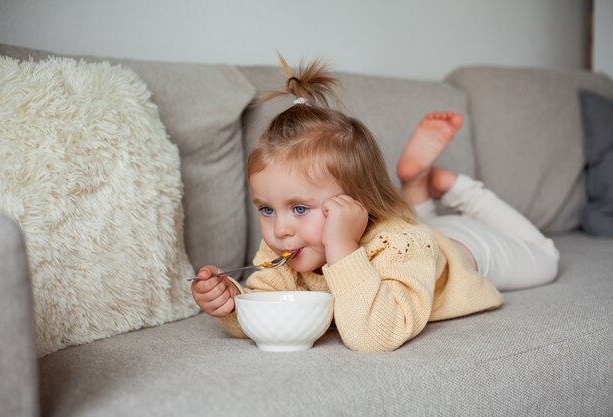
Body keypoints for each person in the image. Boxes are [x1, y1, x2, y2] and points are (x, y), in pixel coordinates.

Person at [191, 57, 559, 352]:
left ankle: (456, 188)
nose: (280, 228)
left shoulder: (399, 243)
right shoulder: (289, 246)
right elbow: (271, 308)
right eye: (267, 209)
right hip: (424, 233)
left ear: (358, 203)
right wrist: (233, 303)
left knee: (546, 257)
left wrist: (341, 248)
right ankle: (417, 186)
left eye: (299, 208)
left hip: (472, 249)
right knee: (421, 225)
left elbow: (375, 338)